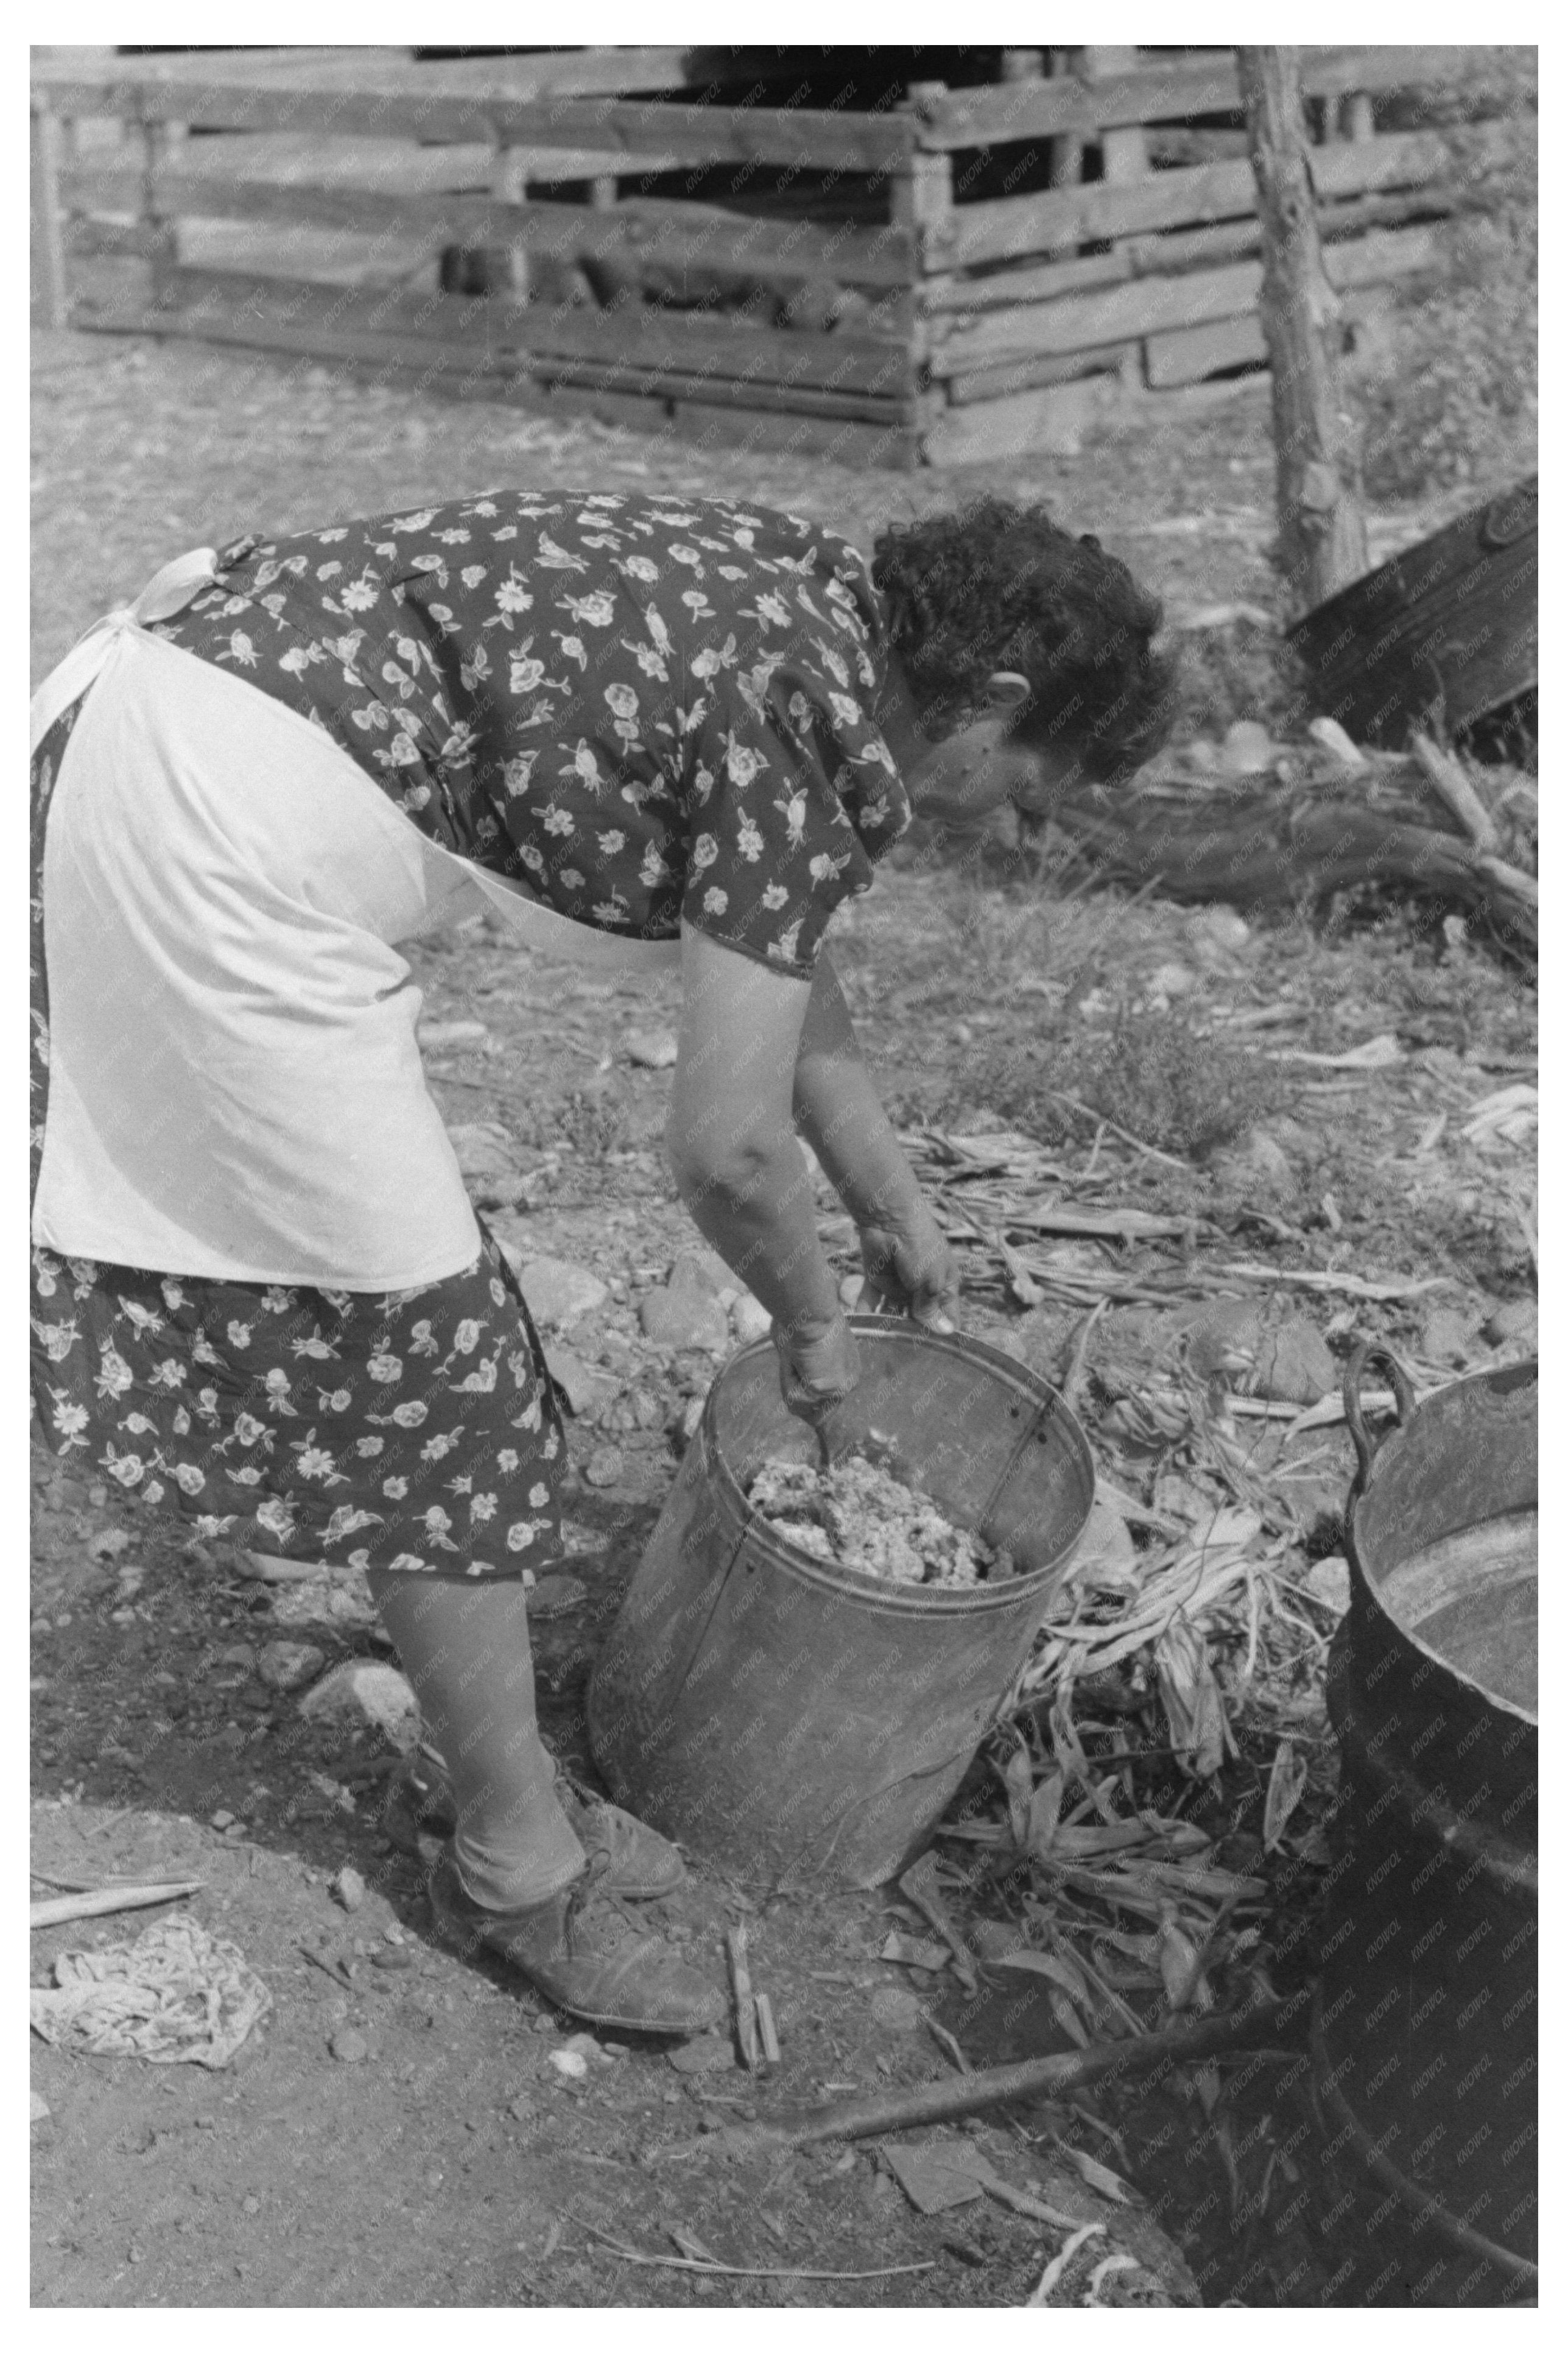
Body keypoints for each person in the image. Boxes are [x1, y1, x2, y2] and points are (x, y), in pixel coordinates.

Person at [29, 489, 1171, 2033]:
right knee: (435, 1376)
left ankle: (499, 1774)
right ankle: (516, 1871)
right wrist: (815, 1331)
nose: (1014, 816)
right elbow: (722, 1150)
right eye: (1034, 782)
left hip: (155, 718)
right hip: (210, 840)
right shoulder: (799, 722)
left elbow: (773, 942)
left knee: (430, 1336)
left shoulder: (813, 601)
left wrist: (893, 1199)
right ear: (996, 700)